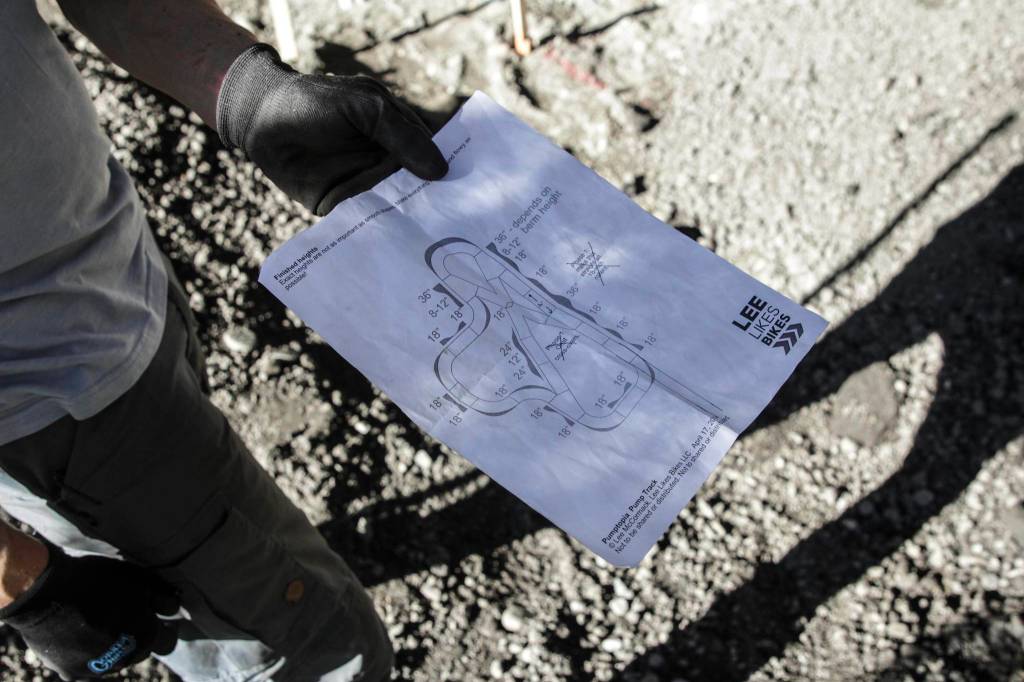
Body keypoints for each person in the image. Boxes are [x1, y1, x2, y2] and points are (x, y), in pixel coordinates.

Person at [0, 1, 449, 680]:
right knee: (325, 655)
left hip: (112, 264)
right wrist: (21, 580)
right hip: (52, 414)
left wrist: (247, 93)